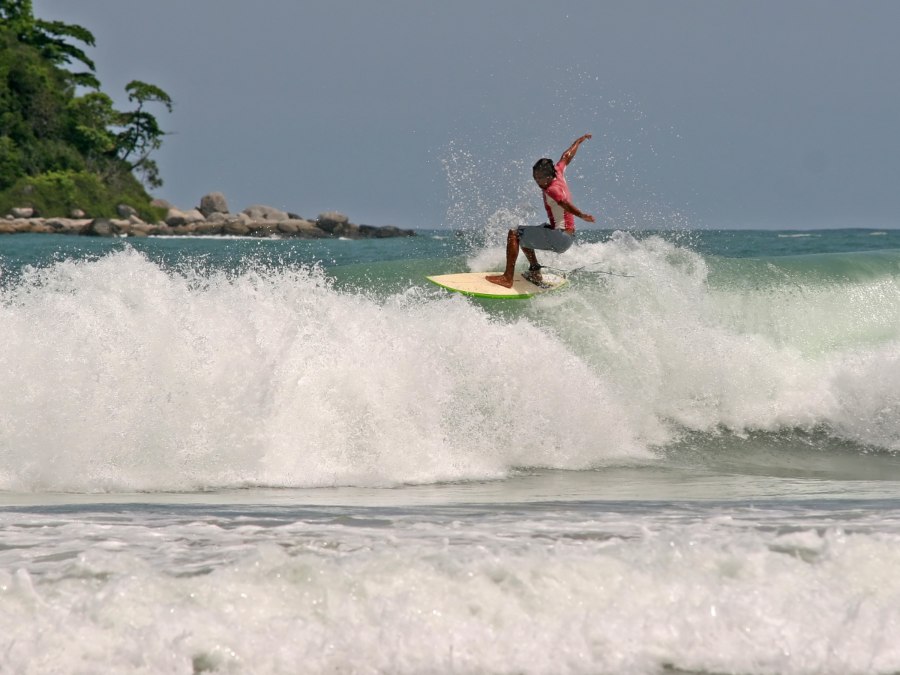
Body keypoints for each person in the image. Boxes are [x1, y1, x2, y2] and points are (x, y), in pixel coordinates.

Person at [486, 134, 595, 288]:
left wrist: (581, 215)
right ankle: (535, 272)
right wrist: (578, 141)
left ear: (549, 177)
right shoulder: (558, 171)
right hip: (566, 235)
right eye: (535, 177)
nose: (537, 182)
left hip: (560, 237)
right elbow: (567, 156)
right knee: (525, 234)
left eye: (540, 178)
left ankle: (507, 278)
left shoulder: (552, 189)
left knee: (514, 234)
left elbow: (564, 203)